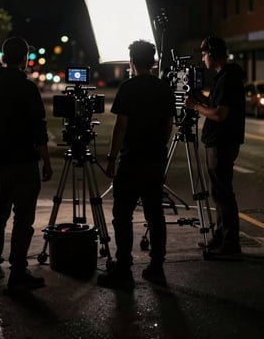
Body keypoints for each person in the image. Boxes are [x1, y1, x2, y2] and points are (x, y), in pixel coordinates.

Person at [0, 36, 53, 293]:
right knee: (23, 221)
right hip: (24, 164)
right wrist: (47, 161)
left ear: (2, 58)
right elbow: (39, 130)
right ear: (25, 59)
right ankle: (18, 271)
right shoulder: (27, 89)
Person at [97, 40, 176, 290]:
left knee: (122, 215)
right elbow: (168, 127)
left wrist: (111, 158)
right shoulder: (164, 89)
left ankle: (123, 268)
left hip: (132, 160)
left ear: (132, 61)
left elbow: (121, 126)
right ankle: (156, 267)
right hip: (155, 159)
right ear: (152, 62)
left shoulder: (128, 88)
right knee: (155, 214)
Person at [185, 36, 245, 256]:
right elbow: (216, 104)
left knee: (223, 194)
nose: (202, 58)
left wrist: (194, 106)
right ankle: (221, 237)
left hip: (222, 142)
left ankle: (230, 245)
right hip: (220, 141)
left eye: (204, 54)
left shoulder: (228, 78)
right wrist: (199, 97)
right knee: (219, 192)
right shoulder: (224, 77)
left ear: (212, 54)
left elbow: (219, 114)